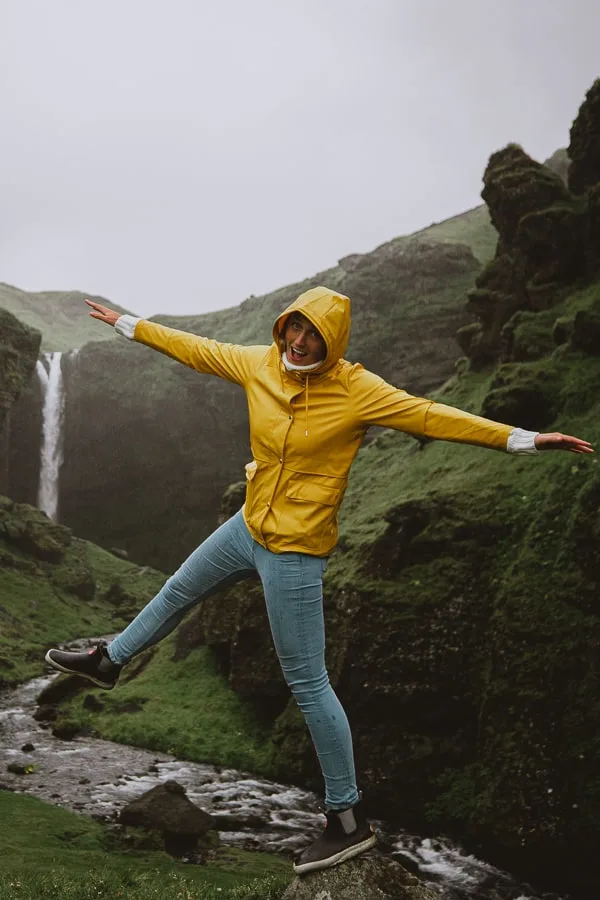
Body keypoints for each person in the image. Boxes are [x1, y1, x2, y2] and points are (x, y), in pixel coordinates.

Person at [45, 287, 593, 875]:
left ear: (333, 344)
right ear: (282, 328)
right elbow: (197, 349)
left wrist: (524, 439)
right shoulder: (261, 363)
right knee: (180, 588)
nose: (299, 344)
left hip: (296, 550)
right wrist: (129, 323)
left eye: (313, 336)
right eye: (293, 330)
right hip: (249, 523)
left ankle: (347, 817)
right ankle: (111, 661)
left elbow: (432, 415)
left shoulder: (358, 391)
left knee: (307, 682)